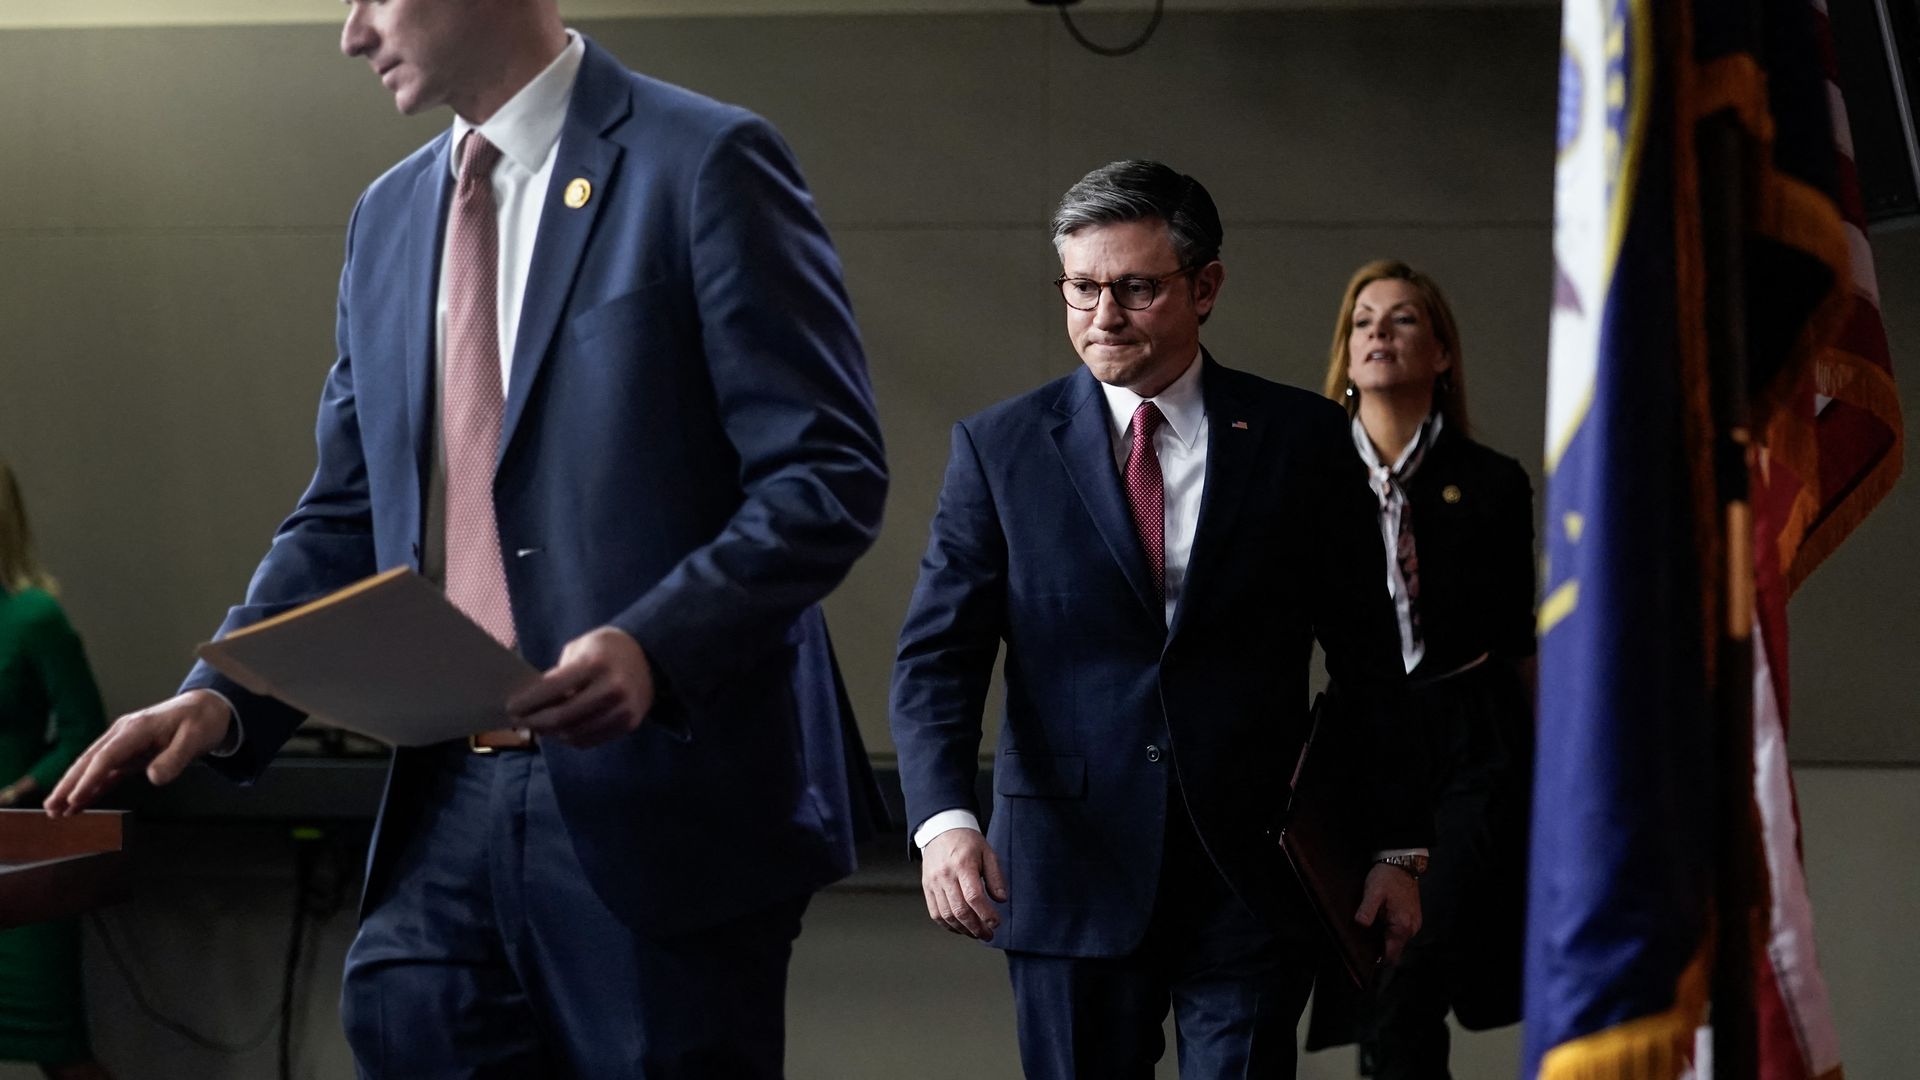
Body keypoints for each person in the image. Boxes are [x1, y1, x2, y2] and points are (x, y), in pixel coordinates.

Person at [45, 1, 888, 1076]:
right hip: (447, 795)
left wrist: (652, 644)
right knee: (401, 1018)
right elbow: (347, 506)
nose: (351, 35)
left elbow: (826, 473)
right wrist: (223, 691)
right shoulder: (388, 218)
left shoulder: (706, 161)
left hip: (658, 803)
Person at [890, 160, 1427, 1079]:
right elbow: (940, 657)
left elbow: (1372, 662)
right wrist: (942, 821)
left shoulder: (1299, 441)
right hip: (1064, 866)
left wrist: (1397, 847)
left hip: (1253, 871)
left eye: (1136, 288)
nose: (1104, 315)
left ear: (1205, 286)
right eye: (1082, 287)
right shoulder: (1000, 447)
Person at [1305, 260, 1535, 1078]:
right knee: (1374, 962)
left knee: (1419, 947)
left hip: (1469, 737)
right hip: (1359, 738)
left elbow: (1520, 643)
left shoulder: (1493, 483)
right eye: (1362, 320)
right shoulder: (1308, 477)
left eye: (1402, 319)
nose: (1378, 333)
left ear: (1441, 352)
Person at [0, 461, 114, 1080]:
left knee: (61, 1052)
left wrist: (15, 791)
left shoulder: (33, 617)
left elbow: (84, 736)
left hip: (19, 859)